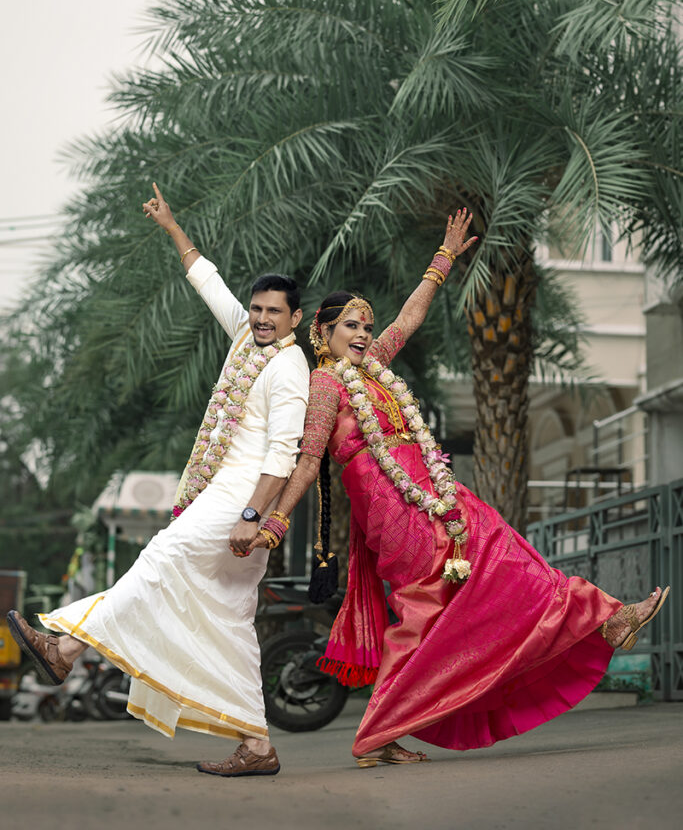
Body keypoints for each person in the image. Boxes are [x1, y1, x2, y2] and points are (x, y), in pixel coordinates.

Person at [238, 208, 670, 767]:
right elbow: (305, 462)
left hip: (437, 495)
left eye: (368, 327)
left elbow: (411, 319)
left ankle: (603, 618)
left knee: (507, 557)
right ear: (322, 333)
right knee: (424, 610)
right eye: (352, 326)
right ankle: (378, 732)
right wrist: (271, 522)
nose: (366, 334)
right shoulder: (325, 383)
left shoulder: (375, 369)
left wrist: (442, 262)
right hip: (395, 513)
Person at [8, 182, 310, 778]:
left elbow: (283, 455)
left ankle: (66, 648)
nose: (263, 319)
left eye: (275, 312)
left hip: (242, 498)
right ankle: (257, 745)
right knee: (228, 621)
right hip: (223, 489)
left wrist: (253, 518)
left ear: (295, 318)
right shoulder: (248, 341)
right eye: (258, 310)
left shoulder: (289, 368)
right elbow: (210, 283)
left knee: (161, 558)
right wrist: (172, 227)